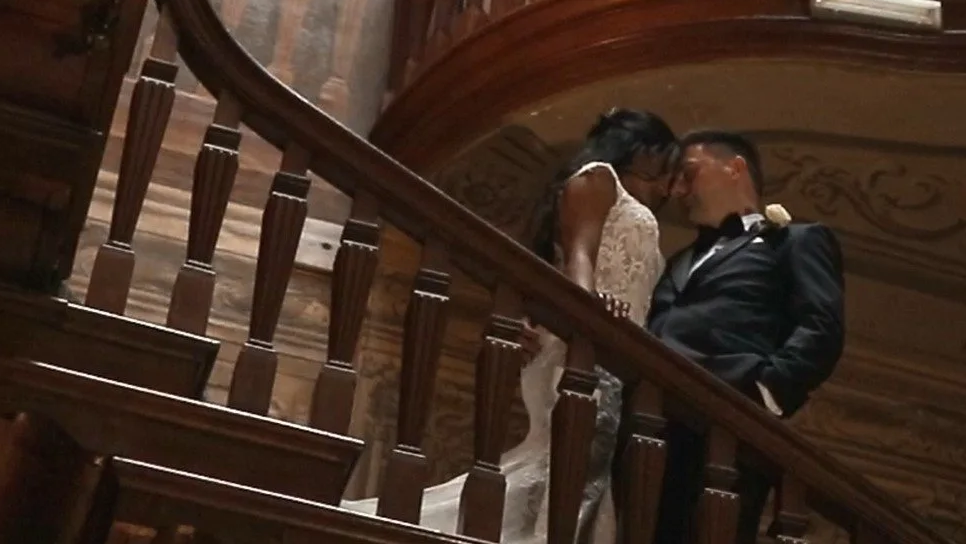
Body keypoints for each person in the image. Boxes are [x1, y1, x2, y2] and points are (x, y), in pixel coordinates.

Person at [345, 109, 677, 544]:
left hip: (609, 357)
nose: (668, 187)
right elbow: (580, 253)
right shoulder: (598, 180)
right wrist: (589, 312)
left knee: (577, 479)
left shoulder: (626, 197)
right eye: (663, 169)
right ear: (642, 151)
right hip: (585, 350)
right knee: (567, 475)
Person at [645, 130, 846, 544]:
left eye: (688, 173)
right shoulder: (679, 259)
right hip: (650, 424)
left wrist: (763, 393)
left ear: (734, 167)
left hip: (728, 430)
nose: (678, 189)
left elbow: (821, 327)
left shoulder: (794, 240)